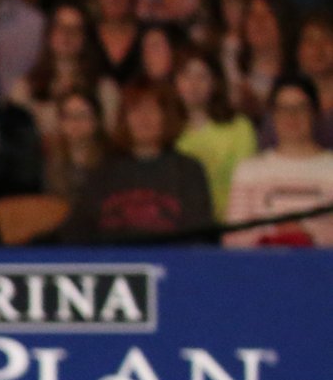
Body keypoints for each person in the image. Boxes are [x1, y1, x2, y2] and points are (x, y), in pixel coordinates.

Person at [59, 81, 214, 240]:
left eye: (151, 110)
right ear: (124, 119)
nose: (143, 118)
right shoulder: (104, 172)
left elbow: (199, 234)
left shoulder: (188, 171)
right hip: (114, 260)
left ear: (165, 117)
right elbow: (78, 229)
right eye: (135, 111)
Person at [225, 77, 333, 245]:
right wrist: (273, 236)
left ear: (315, 113)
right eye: (283, 109)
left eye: (300, 108)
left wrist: (307, 236)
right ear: (273, 115)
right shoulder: (249, 170)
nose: (291, 116)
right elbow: (233, 239)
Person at [172, 52, 256, 218]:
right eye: (186, 75)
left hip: (230, 225)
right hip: (181, 232)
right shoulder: (166, 131)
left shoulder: (239, 127)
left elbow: (247, 184)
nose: (193, 84)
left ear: (215, 82)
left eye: (201, 76)